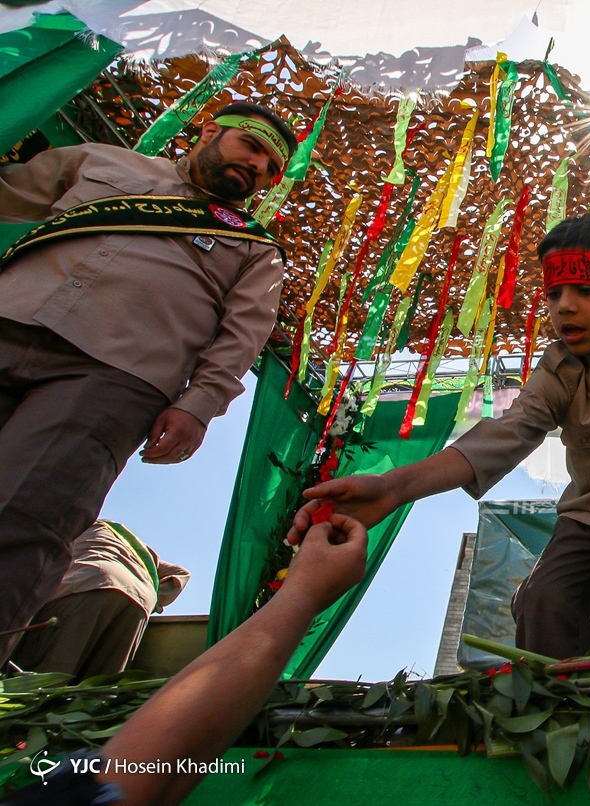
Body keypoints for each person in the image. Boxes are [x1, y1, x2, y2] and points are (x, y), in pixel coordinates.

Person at [288, 214, 590, 660]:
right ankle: (570, 706)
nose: (564, 306)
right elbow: (505, 435)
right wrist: (392, 488)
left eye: (585, 291)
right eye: (553, 294)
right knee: (540, 603)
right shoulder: (558, 368)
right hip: (587, 516)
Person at [0, 102, 296, 666]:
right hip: (10, 316)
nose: (258, 167)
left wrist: (199, 406)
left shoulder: (255, 246)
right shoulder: (100, 162)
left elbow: (242, 338)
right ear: (210, 130)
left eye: (271, 168)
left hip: (112, 379)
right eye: (252, 147)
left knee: (22, 521)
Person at [0, 514, 367, 806]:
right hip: (134, 597)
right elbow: (178, 578)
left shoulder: (80, 528)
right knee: (92, 691)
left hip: (83, 586)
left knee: (45, 687)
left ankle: (26, 749)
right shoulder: (127, 539)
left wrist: (301, 594)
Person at [9, 521, 190, 678]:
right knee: (96, 690)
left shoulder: (71, 527)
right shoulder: (130, 541)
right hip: (140, 600)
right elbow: (181, 574)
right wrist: (155, 601)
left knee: (45, 680)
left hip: (90, 581)